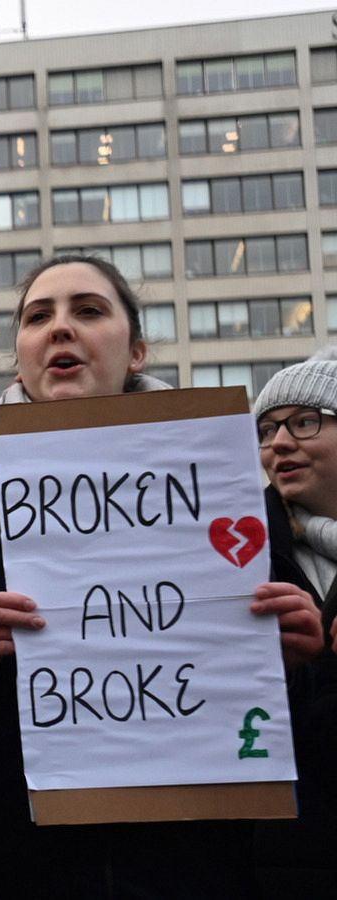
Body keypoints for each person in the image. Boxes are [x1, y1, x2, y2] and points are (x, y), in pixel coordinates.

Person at [0, 254, 323, 897]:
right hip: (4, 864)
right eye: (38, 317)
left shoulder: (222, 483)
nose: (61, 328)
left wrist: (297, 660)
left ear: (136, 350)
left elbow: (290, 726)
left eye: (88, 310)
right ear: (21, 354)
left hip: (191, 866)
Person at [251, 351, 337, 893]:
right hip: (293, 863)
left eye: (305, 421)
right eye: (266, 429)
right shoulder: (241, 556)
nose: (280, 443)